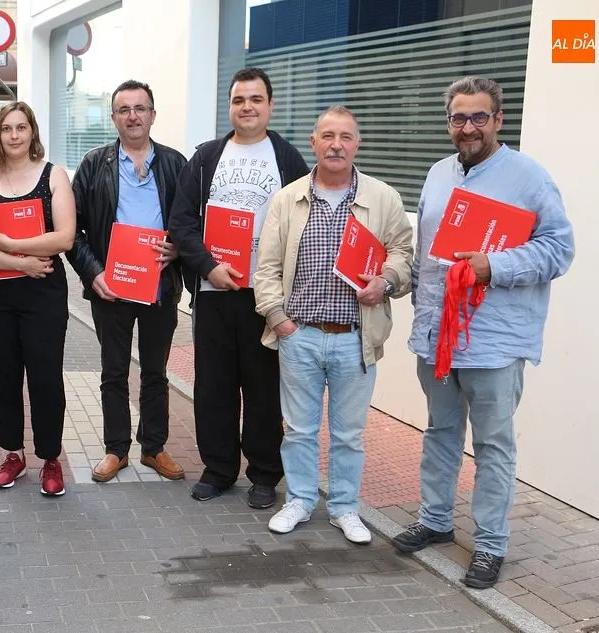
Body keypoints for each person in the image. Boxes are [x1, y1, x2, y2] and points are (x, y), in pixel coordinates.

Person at [391, 76, 574, 588]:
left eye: (478, 117)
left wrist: (495, 265)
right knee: (440, 431)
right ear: (448, 121)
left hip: (494, 340)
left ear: (497, 120)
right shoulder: (437, 175)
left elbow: (559, 250)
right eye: (458, 117)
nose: (467, 127)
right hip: (438, 336)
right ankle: (435, 520)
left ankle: (490, 544)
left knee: (493, 445)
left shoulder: (528, 178)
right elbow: (429, 256)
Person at [254, 106, 413, 543]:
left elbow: (403, 253)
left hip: (354, 339)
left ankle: (345, 508)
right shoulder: (287, 199)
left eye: (345, 136)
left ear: (357, 144)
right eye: (328, 136)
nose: (336, 144)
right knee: (299, 430)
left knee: (349, 434)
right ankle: (301, 500)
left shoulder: (383, 198)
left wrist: (387, 281)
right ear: (314, 142)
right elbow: (265, 267)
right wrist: (277, 318)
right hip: (300, 335)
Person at [169, 67, 310, 509]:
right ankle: (219, 469)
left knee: (264, 387)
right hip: (214, 295)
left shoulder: (287, 159)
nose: (246, 107)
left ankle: (265, 474)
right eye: (238, 100)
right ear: (229, 106)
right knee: (214, 386)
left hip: (264, 297)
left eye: (255, 99)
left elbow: (304, 225)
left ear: (269, 105)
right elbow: (182, 223)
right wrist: (209, 268)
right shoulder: (207, 157)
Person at [67, 80, 188, 483]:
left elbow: (193, 223)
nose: (133, 116)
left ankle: (153, 448)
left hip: (159, 287)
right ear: (114, 117)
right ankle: (116, 450)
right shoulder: (92, 165)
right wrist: (93, 272)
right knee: (113, 373)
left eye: (140, 108)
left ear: (153, 114)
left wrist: (179, 249)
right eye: (124, 109)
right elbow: (73, 231)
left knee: (156, 372)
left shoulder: (176, 164)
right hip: (112, 290)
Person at [0, 102, 75, 496]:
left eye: (21, 127)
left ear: (33, 132)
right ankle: (13, 454)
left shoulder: (54, 176)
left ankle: (50, 458)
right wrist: (23, 262)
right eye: (7, 128)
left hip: (42, 292)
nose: (14, 135)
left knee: (46, 378)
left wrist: (13, 245)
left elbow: (63, 237)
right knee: (2, 376)